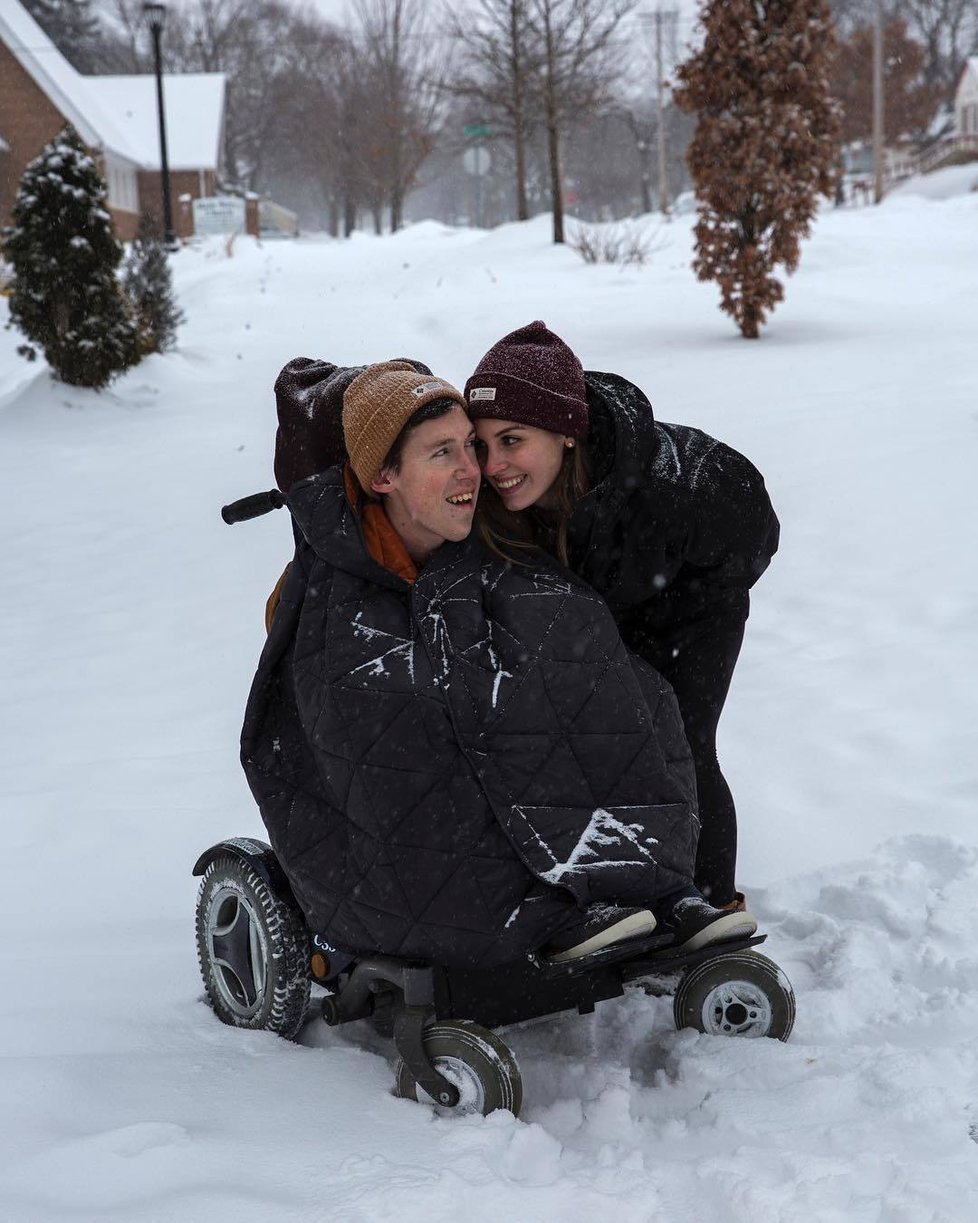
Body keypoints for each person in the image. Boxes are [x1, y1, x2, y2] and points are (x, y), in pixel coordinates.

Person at [240, 358, 757, 972]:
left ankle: (655, 885)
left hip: (698, 578)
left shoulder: (488, 539)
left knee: (611, 693)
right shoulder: (339, 583)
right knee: (424, 729)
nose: (475, 469)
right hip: (393, 862)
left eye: (472, 446)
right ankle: (536, 907)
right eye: (444, 452)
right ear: (384, 476)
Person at [465, 321, 780, 910]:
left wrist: (674, 612)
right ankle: (617, 886)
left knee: (681, 745)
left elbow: (754, 535)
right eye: (481, 445)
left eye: (512, 440)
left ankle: (710, 906)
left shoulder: (678, 484)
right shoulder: (507, 498)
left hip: (690, 613)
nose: (494, 465)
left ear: (564, 433)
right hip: (596, 618)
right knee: (592, 746)